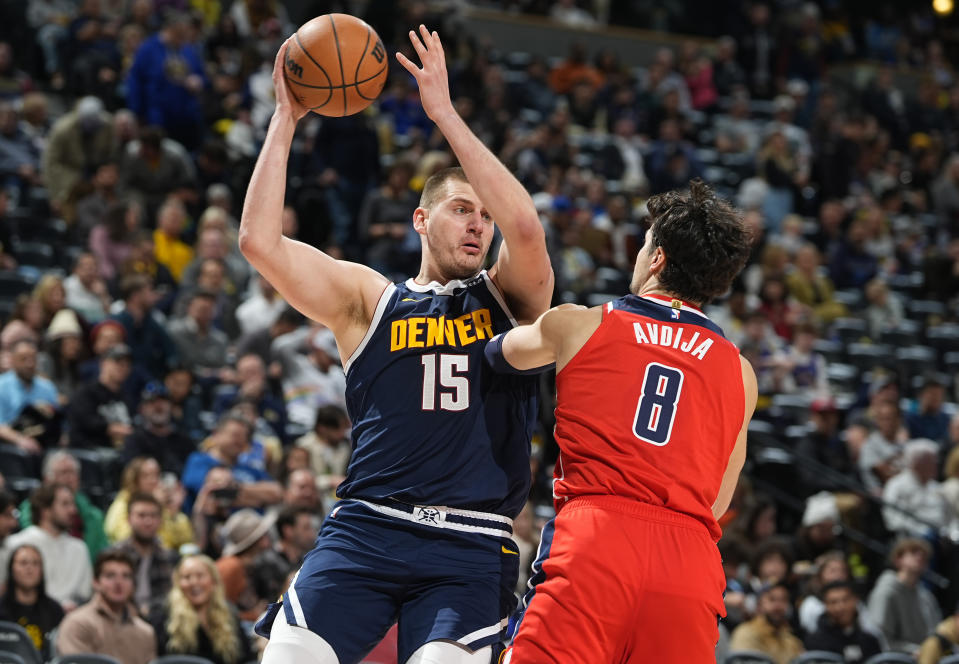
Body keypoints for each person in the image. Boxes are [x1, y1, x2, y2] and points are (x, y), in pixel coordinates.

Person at [241, 26, 552, 664]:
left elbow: (523, 224)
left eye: (483, 215)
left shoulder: (509, 298)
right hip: (367, 528)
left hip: (468, 543)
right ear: (420, 218)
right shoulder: (370, 299)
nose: (478, 224)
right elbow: (259, 242)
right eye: (462, 209)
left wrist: (443, 112)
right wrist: (285, 117)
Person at [488, 179, 754, 662]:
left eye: (645, 243)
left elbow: (493, 353)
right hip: (689, 561)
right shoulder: (740, 369)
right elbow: (718, 500)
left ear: (657, 259)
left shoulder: (581, 323)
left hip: (597, 539)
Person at [56, 548, 157, 664]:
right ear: (96, 582)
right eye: (110, 576)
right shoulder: (78, 623)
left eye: (126, 576)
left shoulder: (145, 632)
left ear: (133, 585)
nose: (119, 582)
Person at [149, 554, 254, 664]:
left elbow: (246, 657)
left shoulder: (229, 613)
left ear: (213, 581)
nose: (194, 582)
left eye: (200, 576)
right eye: (186, 577)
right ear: (178, 583)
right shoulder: (164, 615)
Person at [5, 483, 93, 609]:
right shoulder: (16, 544)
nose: (73, 510)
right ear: (45, 510)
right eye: (65, 504)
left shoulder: (80, 548)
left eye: (72, 504)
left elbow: (85, 594)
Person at [868, 537, 942, 654]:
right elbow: (879, 639)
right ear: (898, 559)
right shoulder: (885, 592)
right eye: (913, 552)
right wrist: (915, 651)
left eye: (924, 556)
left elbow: (935, 633)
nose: (920, 556)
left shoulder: (926, 596)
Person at [113, 492, 180, 616]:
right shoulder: (115, 555)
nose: (148, 521)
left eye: (153, 516)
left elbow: (173, 597)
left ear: (160, 520)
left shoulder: (170, 557)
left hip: (162, 619)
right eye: (141, 515)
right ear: (129, 519)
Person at [0, 544, 65, 660]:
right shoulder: (1, 608)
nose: (29, 568)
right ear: (11, 568)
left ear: (42, 570)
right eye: (23, 563)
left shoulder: (54, 610)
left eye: (35, 563)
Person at [804, 580, 883, 663]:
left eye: (845, 600)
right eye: (833, 602)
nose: (840, 607)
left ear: (855, 600)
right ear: (825, 605)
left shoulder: (870, 641)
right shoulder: (814, 642)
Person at [729, 580, 806, 664]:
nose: (778, 606)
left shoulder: (792, 641)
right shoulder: (746, 633)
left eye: (783, 600)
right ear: (759, 604)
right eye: (772, 599)